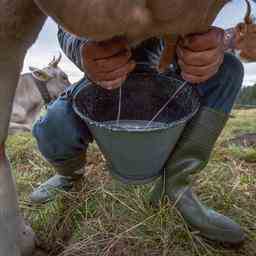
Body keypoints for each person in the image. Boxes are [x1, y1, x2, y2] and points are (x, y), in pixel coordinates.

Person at [30, 22, 255, 244]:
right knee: (53, 126)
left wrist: (210, 45)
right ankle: (70, 175)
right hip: (105, 78)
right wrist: (82, 49)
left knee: (229, 69)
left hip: (166, 70)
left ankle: (175, 188)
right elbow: (64, 25)